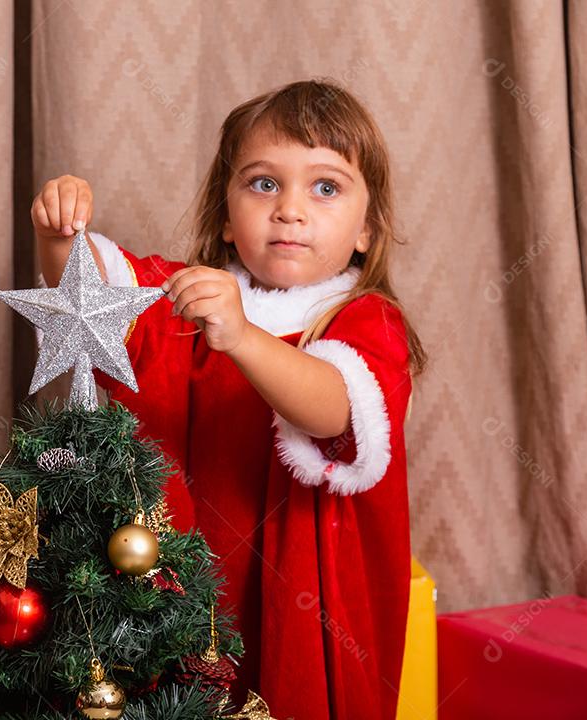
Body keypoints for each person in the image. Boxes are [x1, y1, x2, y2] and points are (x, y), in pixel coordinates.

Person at [33, 79, 427, 720]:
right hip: (186, 588)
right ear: (224, 213)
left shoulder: (363, 321)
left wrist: (241, 336)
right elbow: (93, 298)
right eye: (263, 183)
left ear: (367, 228)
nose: (290, 210)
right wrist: (58, 233)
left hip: (304, 599)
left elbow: (332, 411)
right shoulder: (189, 298)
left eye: (324, 187)